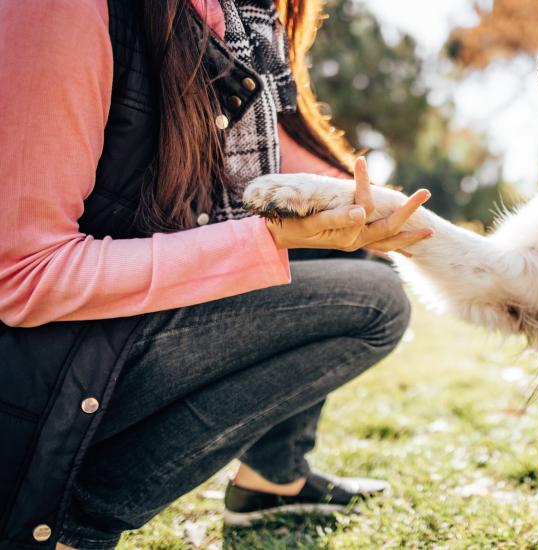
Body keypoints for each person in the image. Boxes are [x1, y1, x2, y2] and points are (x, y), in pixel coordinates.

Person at [0, 1, 433, 548]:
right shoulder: (62, 10)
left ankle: (273, 481)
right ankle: (71, 520)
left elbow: (305, 171)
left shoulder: (241, 27)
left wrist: (416, 226)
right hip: (48, 357)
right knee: (375, 303)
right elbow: (24, 276)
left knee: (351, 253)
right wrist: (266, 241)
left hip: (110, 327)